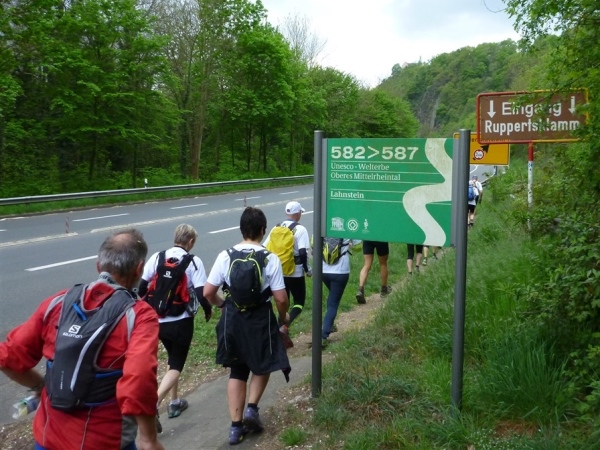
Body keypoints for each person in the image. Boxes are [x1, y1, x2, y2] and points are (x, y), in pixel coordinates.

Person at [0, 229, 164, 450]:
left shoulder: (58, 302)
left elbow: (8, 357)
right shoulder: (139, 315)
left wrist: (40, 385)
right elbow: (140, 378)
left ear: (98, 266)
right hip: (104, 441)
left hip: (48, 439)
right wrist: (148, 439)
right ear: (139, 269)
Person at [203, 206, 291, 446]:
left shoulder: (225, 255)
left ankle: (235, 427)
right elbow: (281, 298)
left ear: (241, 229)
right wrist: (283, 317)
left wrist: (223, 305)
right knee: (263, 363)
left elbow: (208, 292)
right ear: (263, 230)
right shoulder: (269, 258)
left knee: (237, 370)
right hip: (260, 318)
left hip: (233, 318)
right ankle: (252, 408)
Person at [138, 224, 212, 429]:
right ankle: (154, 404)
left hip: (158, 321)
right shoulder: (193, 261)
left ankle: (174, 402)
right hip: (181, 321)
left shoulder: (158, 257)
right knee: (177, 364)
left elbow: (142, 287)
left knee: (172, 359)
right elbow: (201, 294)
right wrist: (208, 310)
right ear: (191, 242)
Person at [263, 201, 311, 329]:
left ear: (286, 213)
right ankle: (284, 327)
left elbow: (264, 247)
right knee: (299, 303)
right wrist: (307, 270)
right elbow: (302, 252)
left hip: (279, 271)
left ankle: (280, 328)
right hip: (295, 271)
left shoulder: (276, 228)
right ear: (298, 213)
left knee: (284, 302)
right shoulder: (300, 229)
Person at [322, 238, 355, 348]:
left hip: (323, 270)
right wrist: (349, 245)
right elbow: (359, 247)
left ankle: (330, 325)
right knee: (333, 303)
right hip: (340, 272)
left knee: (332, 296)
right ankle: (323, 335)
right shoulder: (348, 228)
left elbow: (313, 243)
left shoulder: (324, 227)